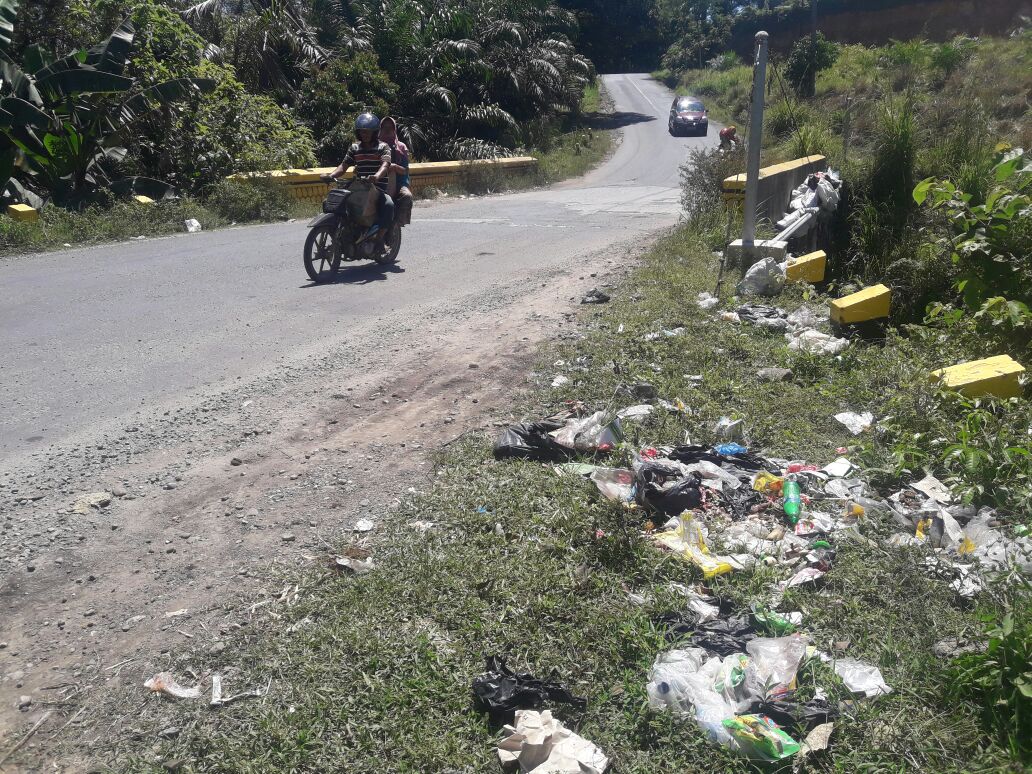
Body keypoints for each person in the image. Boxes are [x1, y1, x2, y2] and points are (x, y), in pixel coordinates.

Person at [323, 113, 394, 254]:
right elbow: (343, 166)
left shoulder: (383, 147)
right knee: (330, 203)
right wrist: (331, 175)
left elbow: (385, 165)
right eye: (362, 132)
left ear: (375, 133)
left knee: (389, 205)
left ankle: (379, 240)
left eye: (368, 132)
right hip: (358, 187)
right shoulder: (354, 148)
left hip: (377, 188)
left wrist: (377, 176)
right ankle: (339, 236)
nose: (365, 134)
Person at [378, 116, 413, 227]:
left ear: (394, 129)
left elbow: (405, 170)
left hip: (399, 182)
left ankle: (396, 223)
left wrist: (394, 167)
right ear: (380, 129)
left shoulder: (401, 147)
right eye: (384, 127)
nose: (387, 130)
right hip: (378, 181)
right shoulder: (375, 146)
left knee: (406, 196)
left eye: (390, 127)